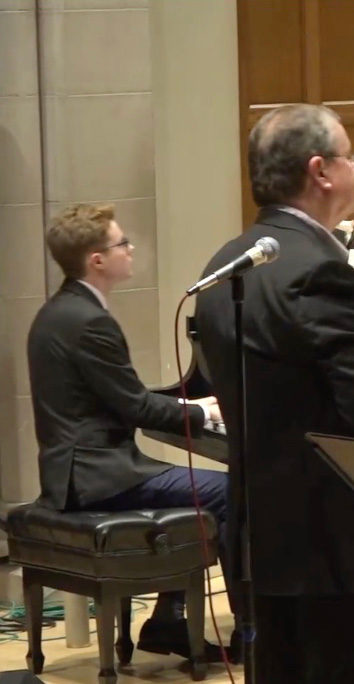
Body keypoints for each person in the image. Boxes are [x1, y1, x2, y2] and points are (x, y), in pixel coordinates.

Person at [193, 103, 354, 683]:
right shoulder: (324, 272)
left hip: (257, 539)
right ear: (321, 171)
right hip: (337, 548)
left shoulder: (225, 264)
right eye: (352, 156)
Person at [28, 203, 230, 661]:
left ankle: (170, 618)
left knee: (200, 487)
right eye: (122, 243)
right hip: (98, 477)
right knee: (229, 491)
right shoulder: (90, 321)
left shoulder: (59, 311)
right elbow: (137, 406)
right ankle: (247, 630)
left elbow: (120, 399)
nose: (130, 248)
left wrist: (190, 406)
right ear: (96, 260)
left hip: (77, 471)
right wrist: (203, 414)